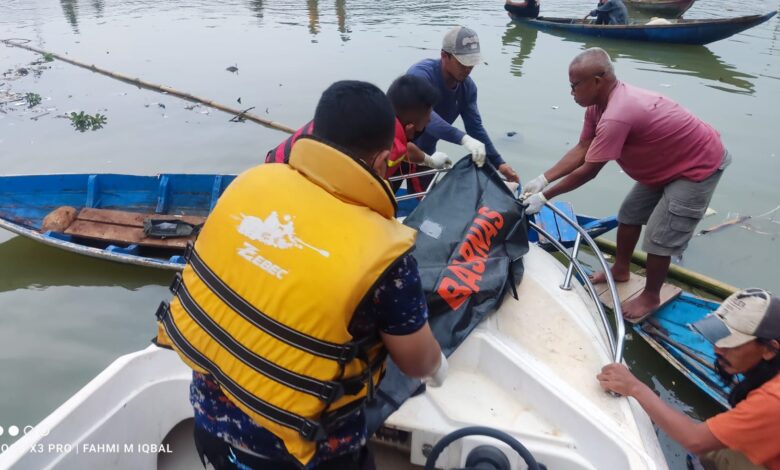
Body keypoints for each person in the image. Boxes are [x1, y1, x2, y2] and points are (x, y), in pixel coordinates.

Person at [156, 80, 446, 470]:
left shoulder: (250, 183)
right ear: (382, 163)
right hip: (304, 458)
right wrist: (438, 368)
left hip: (209, 430)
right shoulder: (387, 255)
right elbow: (417, 362)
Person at [523, 48, 730, 321]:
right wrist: (543, 179)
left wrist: (545, 197)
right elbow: (584, 147)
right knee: (629, 214)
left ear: (598, 80)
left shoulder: (617, 115)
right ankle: (620, 270)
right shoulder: (597, 106)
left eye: (574, 85)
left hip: (697, 166)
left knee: (659, 236)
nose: (571, 92)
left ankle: (651, 296)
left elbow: (590, 170)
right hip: (666, 162)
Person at [598, 288, 780, 469]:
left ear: (770, 349)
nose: (717, 350)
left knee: (708, 451)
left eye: (732, 345)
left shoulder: (771, 401)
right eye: (719, 337)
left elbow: (695, 440)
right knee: (713, 452)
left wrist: (634, 387)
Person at [266, 74, 451, 194]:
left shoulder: (367, 111)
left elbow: (406, 150)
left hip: (275, 164)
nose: (428, 123)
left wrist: (429, 161)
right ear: (410, 128)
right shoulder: (389, 151)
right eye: (427, 120)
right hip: (290, 186)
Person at [408, 26, 521, 183]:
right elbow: (426, 116)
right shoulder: (420, 75)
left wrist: (499, 163)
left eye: (472, 63)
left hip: (428, 155)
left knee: (426, 202)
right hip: (394, 150)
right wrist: (464, 139)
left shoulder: (468, 88)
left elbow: (475, 128)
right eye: (463, 63)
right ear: (444, 56)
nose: (468, 68)